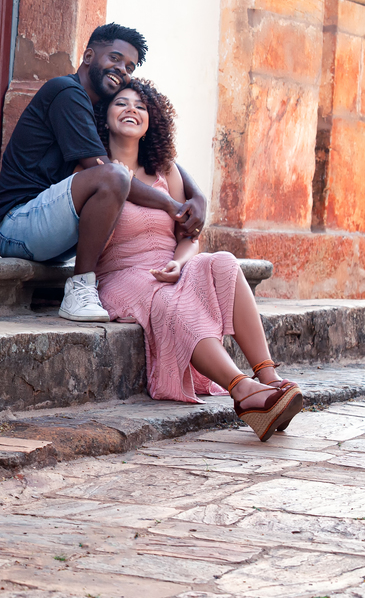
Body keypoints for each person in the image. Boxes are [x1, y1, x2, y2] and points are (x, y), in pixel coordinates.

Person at [93, 79, 303, 441]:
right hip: (123, 274)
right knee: (173, 300)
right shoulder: (95, 170)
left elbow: (188, 236)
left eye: (140, 106)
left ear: (151, 121)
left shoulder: (166, 173)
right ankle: (244, 392)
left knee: (223, 260)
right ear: (105, 116)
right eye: (121, 104)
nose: (131, 110)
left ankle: (268, 378)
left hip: (171, 264)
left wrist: (179, 262)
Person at [0, 23, 207, 322]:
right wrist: (172, 205)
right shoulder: (66, 92)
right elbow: (103, 172)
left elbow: (155, 158)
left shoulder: (96, 106)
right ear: (89, 55)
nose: (122, 69)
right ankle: (80, 289)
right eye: (115, 58)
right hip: (16, 227)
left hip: (54, 234)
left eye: (129, 66)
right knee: (114, 175)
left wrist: (197, 196)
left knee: (119, 174)